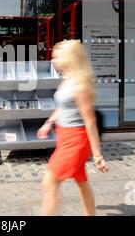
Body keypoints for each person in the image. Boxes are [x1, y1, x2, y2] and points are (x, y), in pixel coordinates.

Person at [37, 40, 109, 216]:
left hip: (75, 141)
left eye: (57, 57)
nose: (53, 61)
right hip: (65, 137)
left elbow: (90, 122)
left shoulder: (80, 86)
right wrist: (49, 123)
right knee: (81, 181)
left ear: (69, 58)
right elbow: (62, 107)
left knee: (49, 182)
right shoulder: (67, 80)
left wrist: (97, 155)